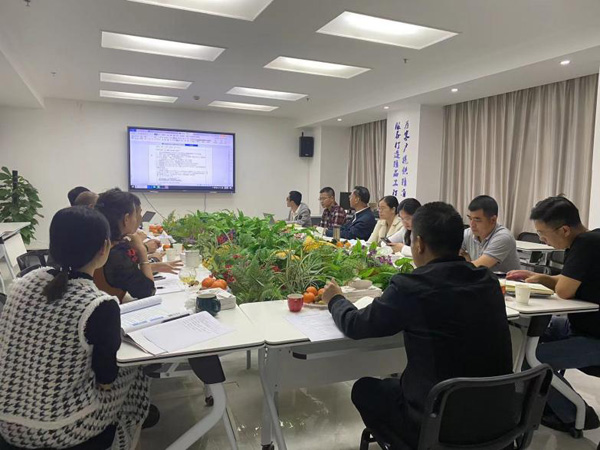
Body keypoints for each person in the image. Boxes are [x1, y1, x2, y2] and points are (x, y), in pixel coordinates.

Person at [321, 202, 512, 448]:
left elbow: (356, 326)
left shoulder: (411, 287)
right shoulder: (487, 281)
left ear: (419, 244)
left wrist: (336, 300)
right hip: (498, 419)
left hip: (437, 423)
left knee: (365, 389)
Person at [0, 206, 150, 448]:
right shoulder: (99, 304)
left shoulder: (22, 283)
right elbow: (105, 379)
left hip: (7, 419)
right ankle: (127, 434)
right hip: (61, 427)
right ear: (105, 247)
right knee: (135, 371)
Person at [507, 197, 600, 429]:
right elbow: (568, 279)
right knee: (524, 338)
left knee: (530, 360)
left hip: (594, 337)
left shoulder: (585, 244)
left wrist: (548, 281)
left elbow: (565, 290)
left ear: (564, 230)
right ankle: (545, 399)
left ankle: (577, 415)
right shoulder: (591, 239)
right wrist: (538, 277)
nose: (542, 240)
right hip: (580, 325)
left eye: (543, 233)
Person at [95, 188, 180, 301]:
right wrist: (141, 250)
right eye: (136, 215)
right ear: (126, 219)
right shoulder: (117, 253)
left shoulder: (101, 240)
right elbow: (147, 292)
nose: (138, 220)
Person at [461, 195, 521, 272]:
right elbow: (451, 255)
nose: (472, 224)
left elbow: (478, 268)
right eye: (470, 218)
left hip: (504, 279)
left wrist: (465, 257)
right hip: (481, 278)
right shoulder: (468, 233)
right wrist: (465, 257)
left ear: (493, 220)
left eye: (477, 219)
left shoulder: (503, 237)